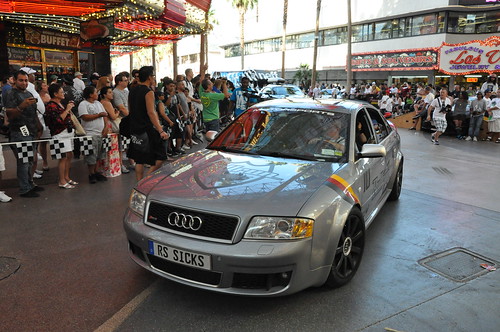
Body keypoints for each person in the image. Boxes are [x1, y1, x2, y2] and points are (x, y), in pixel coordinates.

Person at [3, 70, 44, 197]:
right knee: (24, 161)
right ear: (14, 80)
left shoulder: (29, 92)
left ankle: (30, 183)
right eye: (21, 80)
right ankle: (24, 188)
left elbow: (33, 111)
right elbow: (9, 114)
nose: (24, 83)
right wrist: (22, 106)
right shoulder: (10, 93)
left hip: (31, 130)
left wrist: (39, 126)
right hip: (19, 131)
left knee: (30, 160)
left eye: (26, 80)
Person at [128, 66, 169, 181]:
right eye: (153, 76)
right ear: (149, 77)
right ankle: (146, 180)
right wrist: (160, 130)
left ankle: (139, 183)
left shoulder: (132, 90)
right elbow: (151, 112)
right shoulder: (148, 92)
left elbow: (131, 109)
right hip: (146, 128)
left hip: (135, 127)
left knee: (139, 159)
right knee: (161, 156)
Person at [44, 83, 77, 188]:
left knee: (69, 155)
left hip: (67, 133)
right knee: (62, 157)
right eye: (61, 92)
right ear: (55, 93)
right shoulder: (51, 105)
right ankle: (62, 180)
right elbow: (58, 120)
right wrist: (67, 109)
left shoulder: (60, 103)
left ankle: (66, 177)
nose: (64, 94)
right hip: (59, 134)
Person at [78, 86, 109, 183]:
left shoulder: (98, 103)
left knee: (99, 155)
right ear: (91, 94)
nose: (97, 94)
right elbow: (85, 117)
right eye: (96, 92)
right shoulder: (83, 104)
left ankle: (97, 172)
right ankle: (91, 173)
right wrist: (98, 115)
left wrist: (106, 127)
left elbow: (105, 116)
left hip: (100, 133)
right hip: (89, 134)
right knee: (91, 155)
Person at [98, 86, 127, 176]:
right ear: (104, 95)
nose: (112, 94)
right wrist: (117, 113)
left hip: (105, 126)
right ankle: (113, 169)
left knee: (106, 149)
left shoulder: (101, 103)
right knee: (113, 148)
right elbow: (113, 117)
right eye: (110, 92)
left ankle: (104, 169)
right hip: (110, 127)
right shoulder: (107, 103)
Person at [199, 64, 231, 137]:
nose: (212, 84)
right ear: (208, 86)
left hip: (206, 118)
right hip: (214, 119)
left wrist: (203, 71)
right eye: (211, 83)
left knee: (208, 137)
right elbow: (226, 95)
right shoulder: (213, 95)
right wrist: (224, 84)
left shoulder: (202, 93)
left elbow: (201, 82)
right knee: (213, 138)